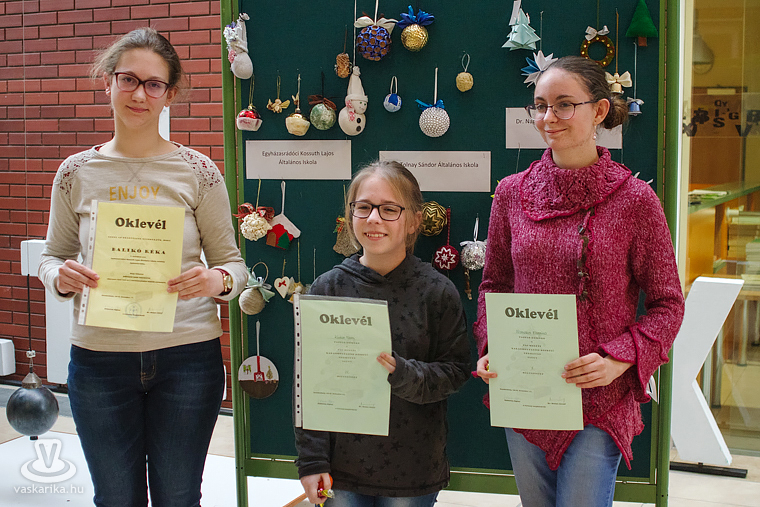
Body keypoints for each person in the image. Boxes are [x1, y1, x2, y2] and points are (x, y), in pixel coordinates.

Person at [38, 27, 248, 507]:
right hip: (98, 362)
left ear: (170, 95)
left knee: (178, 497)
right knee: (115, 498)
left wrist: (214, 280)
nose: (139, 94)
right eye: (128, 79)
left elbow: (233, 267)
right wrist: (58, 276)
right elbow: (52, 256)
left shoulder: (198, 171)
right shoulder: (75, 172)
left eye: (154, 84)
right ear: (108, 82)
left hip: (187, 360)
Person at [474, 55, 685, 507]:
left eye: (564, 104)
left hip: (599, 394)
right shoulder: (510, 193)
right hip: (526, 388)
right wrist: (492, 345)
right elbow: (494, 285)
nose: (549, 117)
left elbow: (669, 304)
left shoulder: (635, 199)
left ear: (600, 111)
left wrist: (620, 358)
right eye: (540, 106)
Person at [295, 161, 471, 506]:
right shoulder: (328, 289)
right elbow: (308, 383)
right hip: (341, 467)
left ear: (414, 221)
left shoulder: (437, 291)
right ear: (350, 215)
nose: (373, 218)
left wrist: (404, 374)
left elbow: (456, 371)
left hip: (412, 468)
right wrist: (312, 461)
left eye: (389, 209)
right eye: (363, 207)